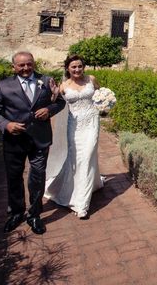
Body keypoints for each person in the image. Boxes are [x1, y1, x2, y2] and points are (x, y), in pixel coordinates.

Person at [0, 51, 65, 234]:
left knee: (37, 177)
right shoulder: (3, 85)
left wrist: (49, 109)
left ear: (34, 63)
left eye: (29, 64)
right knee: (14, 178)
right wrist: (6, 124)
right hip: (14, 141)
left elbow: (60, 102)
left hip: (40, 139)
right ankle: (16, 212)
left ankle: (34, 215)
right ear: (14, 67)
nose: (26, 68)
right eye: (21, 65)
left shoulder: (47, 80)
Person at [45, 55, 103, 219]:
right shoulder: (63, 86)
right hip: (74, 126)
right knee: (75, 158)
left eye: (79, 66)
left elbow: (100, 94)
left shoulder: (91, 79)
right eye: (73, 67)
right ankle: (74, 186)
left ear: (83, 67)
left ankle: (81, 204)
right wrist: (54, 94)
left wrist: (105, 104)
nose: (77, 69)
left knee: (87, 156)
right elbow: (52, 103)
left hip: (92, 122)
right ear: (67, 69)